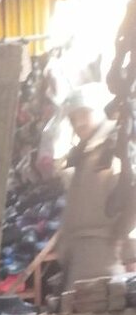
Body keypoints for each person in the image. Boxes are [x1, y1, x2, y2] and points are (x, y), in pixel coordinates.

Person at [53, 82, 136, 288]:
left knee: (104, 304)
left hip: (105, 253)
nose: (78, 122)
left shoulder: (116, 146)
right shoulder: (82, 154)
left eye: (84, 113)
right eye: (73, 118)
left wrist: (121, 237)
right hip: (79, 256)